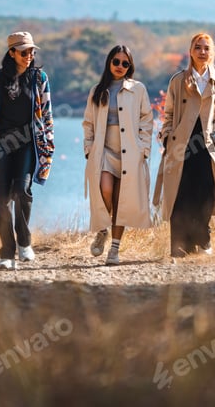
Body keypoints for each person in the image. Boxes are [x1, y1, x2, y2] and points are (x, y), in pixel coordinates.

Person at [0, 31, 54, 270]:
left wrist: (48, 143)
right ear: (11, 52)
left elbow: (46, 113)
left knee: (22, 189)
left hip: (27, 143)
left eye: (32, 51)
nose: (30, 55)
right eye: (24, 51)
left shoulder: (40, 78)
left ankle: (24, 241)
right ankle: (7, 252)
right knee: (1, 196)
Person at [153, 32, 215, 259]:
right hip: (182, 145)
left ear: (212, 52)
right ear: (190, 51)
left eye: (206, 48)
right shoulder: (178, 81)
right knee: (181, 195)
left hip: (208, 146)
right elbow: (168, 115)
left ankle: (203, 238)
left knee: (207, 194)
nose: (202, 52)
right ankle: (180, 246)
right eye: (198, 47)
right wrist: (167, 136)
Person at [83, 45, 153, 265]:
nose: (120, 66)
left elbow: (147, 121)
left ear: (130, 66)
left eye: (125, 63)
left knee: (121, 201)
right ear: (109, 62)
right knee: (105, 189)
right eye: (116, 61)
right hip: (103, 151)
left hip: (130, 153)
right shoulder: (97, 90)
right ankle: (102, 229)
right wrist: (88, 148)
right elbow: (88, 123)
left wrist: (144, 148)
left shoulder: (138, 89)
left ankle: (114, 249)